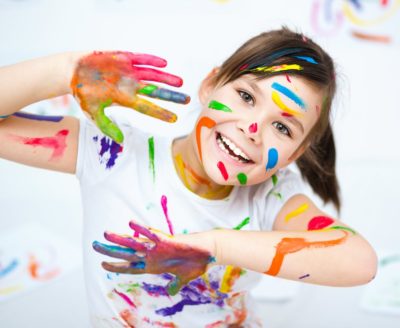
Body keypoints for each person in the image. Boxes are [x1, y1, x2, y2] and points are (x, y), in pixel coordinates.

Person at [0, 27, 377, 327]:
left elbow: (358, 261)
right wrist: (66, 70)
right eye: (247, 97)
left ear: (293, 155)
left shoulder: (271, 197)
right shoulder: (114, 153)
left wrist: (212, 247)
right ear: (210, 85)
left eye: (282, 126)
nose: (252, 129)